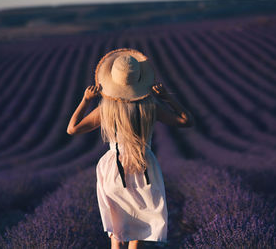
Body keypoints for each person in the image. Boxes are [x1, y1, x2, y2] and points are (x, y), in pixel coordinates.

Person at [67, 48, 194, 249]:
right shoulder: (150, 106)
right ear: (139, 80)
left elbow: (72, 129)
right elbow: (186, 121)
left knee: (116, 233)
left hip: (113, 169)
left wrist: (85, 100)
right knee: (139, 227)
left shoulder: (106, 109)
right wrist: (167, 98)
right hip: (143, 165)